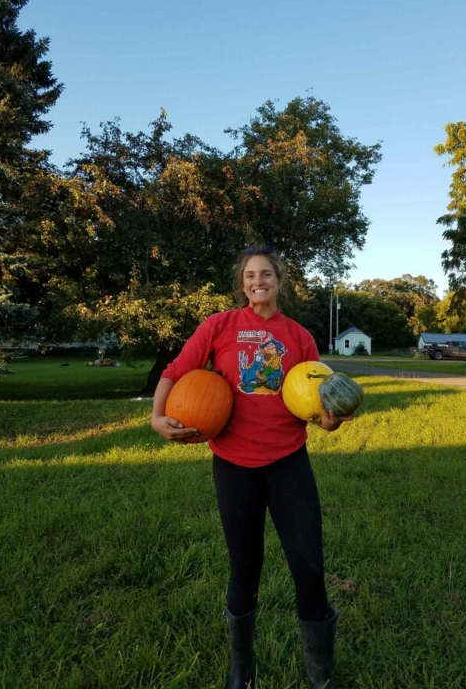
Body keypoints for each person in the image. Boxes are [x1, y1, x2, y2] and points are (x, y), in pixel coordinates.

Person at [151, 246, 353, 689]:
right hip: (234, 465)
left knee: (309, 566)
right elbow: (176, 368)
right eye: (249, 275)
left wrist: (331, 419)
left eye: (265, 274)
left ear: (279, 281)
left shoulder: (299, 337)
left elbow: (316, 410)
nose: (257, 281)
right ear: (242, 283)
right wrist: (156, 414)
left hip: (288, 464)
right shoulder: (219, 326)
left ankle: (322, 678)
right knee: (245, 565)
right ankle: (241, 668)